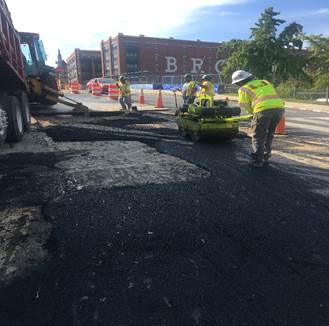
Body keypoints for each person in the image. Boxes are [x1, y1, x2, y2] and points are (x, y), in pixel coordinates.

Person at [231, 70, 285, 167]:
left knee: (258, 136)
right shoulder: (265, 82)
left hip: (262, 110)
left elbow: (245, 105)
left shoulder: (243, 89)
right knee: (269, 133)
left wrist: (253, 113)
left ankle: (257, 160)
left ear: (239, 82)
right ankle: (266, 156)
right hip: (279, 109)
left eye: (236, 83)